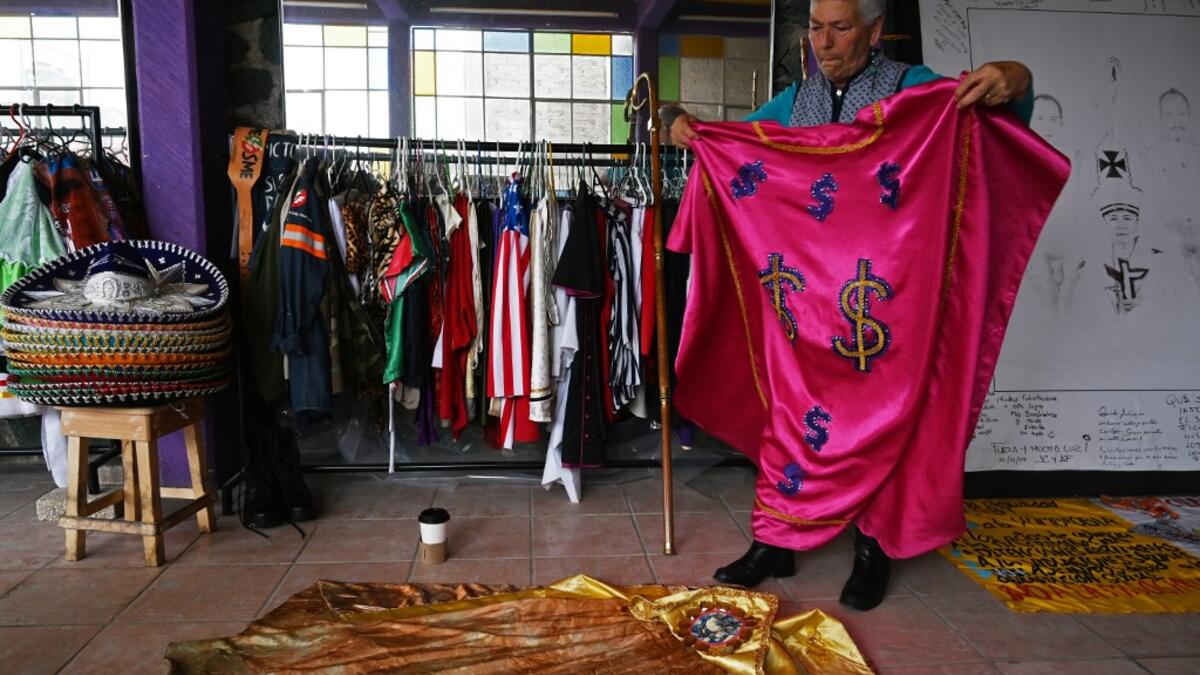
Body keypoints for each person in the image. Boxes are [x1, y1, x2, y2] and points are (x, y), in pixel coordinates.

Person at [663, 0, 1035, 611]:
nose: (825, 43)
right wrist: (685, 125)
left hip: (883, 301)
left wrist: (1013, 77)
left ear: (875, 30)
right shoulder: (795, 102)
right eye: (815, 28)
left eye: (840, 28)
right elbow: (733, 148)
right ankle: (776, 541)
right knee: (790, 415)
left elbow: (999, 112)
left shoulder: (912, 89)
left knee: (884, 419)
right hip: (802, 305)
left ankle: (873, 548)